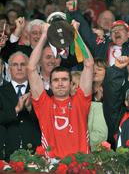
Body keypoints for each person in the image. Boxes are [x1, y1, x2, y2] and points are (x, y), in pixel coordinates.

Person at [27, 22, 94, 158]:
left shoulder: (80, 101)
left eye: (64, 79)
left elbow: (89, 64)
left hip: (81, 165)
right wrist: (45, 35)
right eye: (56, 80)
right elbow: (31, 68)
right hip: (52, 166)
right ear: (50, 85)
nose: (60, 83)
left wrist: (75, 33)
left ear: (71, 84)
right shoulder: (43, 104)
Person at [0, 51, 41, 161]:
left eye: (23, 64)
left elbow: (47, 119)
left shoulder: (40, 92)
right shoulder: (1, 92)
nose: (19, 68)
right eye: (15, 65)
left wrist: (30, 108)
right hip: (7, 153)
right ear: (9, 70)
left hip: (36, 153)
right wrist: (16, 109)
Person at [70, 70, 108, 152]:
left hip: (89, 156)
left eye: (80, 85)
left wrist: (74, 140)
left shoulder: (97, 107)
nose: (76, 87)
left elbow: (101, 135)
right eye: (73, 84)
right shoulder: (62, 108)